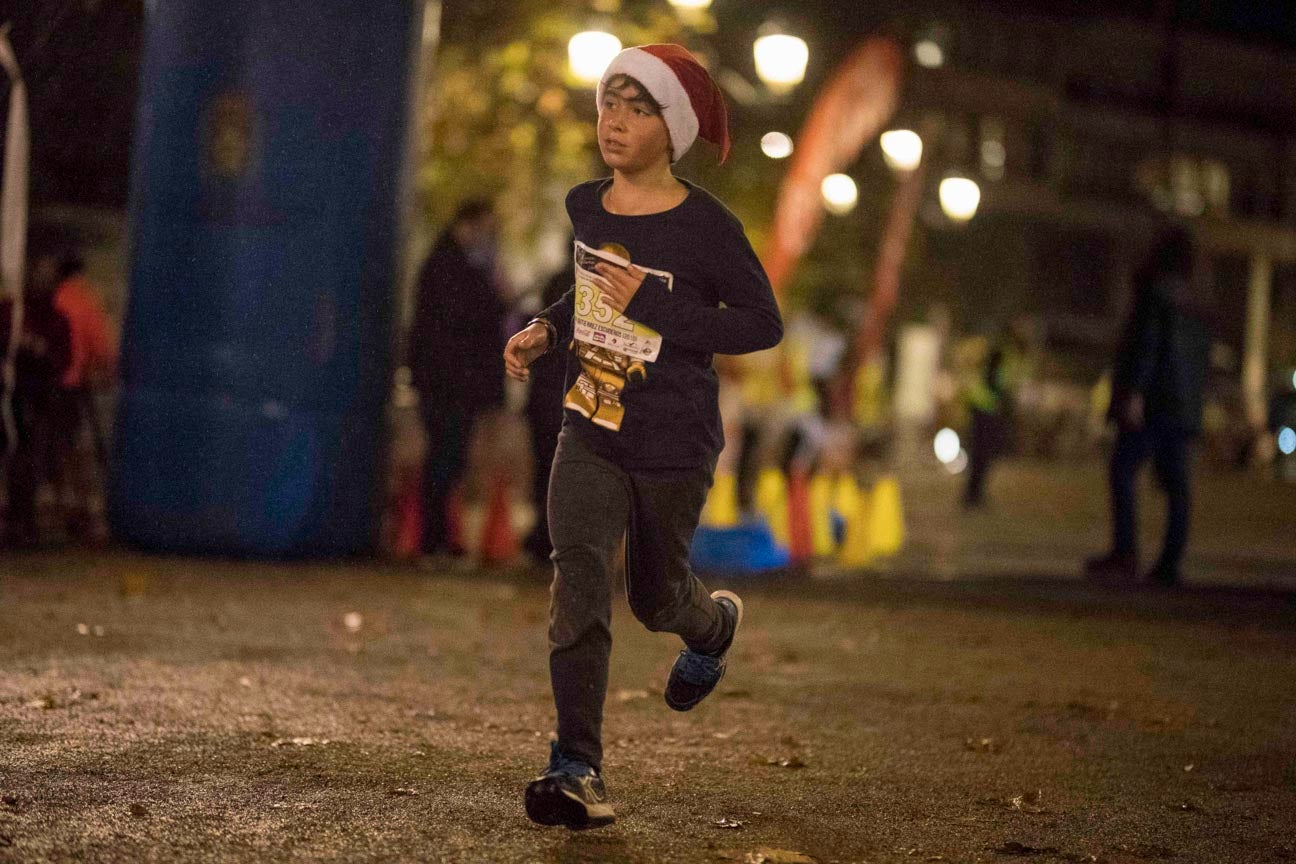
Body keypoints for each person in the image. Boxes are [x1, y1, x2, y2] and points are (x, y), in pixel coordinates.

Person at [502, 44, 783, 830]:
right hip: (588, 427)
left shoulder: (708, 227)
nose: (613, 121)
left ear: (675, 127)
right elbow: (590, 295)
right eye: (607, 104)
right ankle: (576, 767)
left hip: (673, 440)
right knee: (579, 583)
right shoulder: (588, 206)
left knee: (656, 599)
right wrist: (546, 332)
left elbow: (762, 324)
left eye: (635, 107)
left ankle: (713, 626)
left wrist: (656, 311)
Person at [1085, 226, 1210, 587]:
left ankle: (1125, 553)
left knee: (1122, 470)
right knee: (1176, 485)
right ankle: (1169, 562)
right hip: (1184, 405)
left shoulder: (1154, 292)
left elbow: (1147, 343)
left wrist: (1134, 391)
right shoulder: (1196, 299)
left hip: (1155, 401)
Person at [406, 199, 507, 561]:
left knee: (450, 459)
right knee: (445, 458)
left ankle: (440, 536)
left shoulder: (449, 265)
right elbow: (466, 322)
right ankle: (433, 539)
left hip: (448, 382)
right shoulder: (449, 268)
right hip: (448, 383)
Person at [2, 248, 73, 547]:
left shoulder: (57, 320)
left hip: (37, 398)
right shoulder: (11, 312)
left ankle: (23, 521)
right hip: (9, 394)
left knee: (28, 460)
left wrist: (41, 356)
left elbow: (62, 360)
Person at [50, 249, 118, 540]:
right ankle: (80, 512)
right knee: (76, 450)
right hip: (74, 385)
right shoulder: (85, 301)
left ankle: (61, 506)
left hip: (46, 383)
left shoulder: (55, 298)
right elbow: (102, 347)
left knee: (55, 449)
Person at [521, 252, 574, 565]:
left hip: (547, 396)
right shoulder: (581, 287)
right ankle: (552, 539)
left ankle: (545, 537)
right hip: (564, 397)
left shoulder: (558, 284)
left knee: (547, 472)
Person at [961, 318, 1030, 509]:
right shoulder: (1001, 353)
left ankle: (975, 494)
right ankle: (972, 495)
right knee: (981, 455)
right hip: (985, 408)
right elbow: (994, 381)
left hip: (988, 408)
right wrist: (1004, 399)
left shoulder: (1007, 353)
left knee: (983, 455)